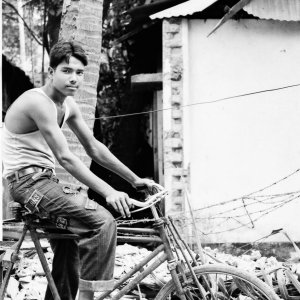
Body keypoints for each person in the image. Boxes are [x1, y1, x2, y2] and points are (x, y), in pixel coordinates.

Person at [2, 40, 161, 300]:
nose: (74, 78)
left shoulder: (68, 106)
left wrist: (134, 180)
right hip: (28, 184)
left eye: (79, 73)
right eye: (66, 71)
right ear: (51, 72)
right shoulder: (38, 102)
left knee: (69, 246)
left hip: (43, 182)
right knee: (101, 221)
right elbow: (65, 157)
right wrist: (109, 191)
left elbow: (95, 148)